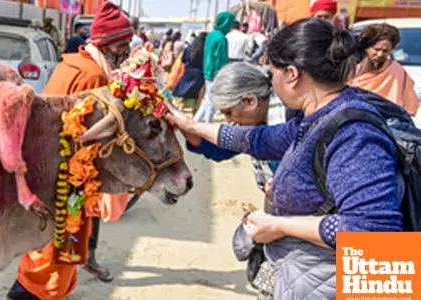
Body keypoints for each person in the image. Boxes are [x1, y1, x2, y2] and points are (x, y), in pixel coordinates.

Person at [164, 18, 403, 299]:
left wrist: (278, 225)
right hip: (308, 274)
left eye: (272, 72)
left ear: (291, 73)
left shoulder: (354, 133)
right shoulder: (320, 116)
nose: (270, 81)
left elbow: (373, 235)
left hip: (335, 283)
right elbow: (258, 140)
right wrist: (191, 127)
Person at [7, 3, 133, 300]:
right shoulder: (94, 78)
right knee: (60, 248)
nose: (127, 52)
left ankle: (37, 290)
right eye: (124, 46)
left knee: (56, 247)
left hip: (56, 171)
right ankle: (26, 293)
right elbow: (87, 139)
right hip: (69, 179)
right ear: (109, 46)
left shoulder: (74, 64)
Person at [350, 24, 419, 116]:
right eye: (377, 49)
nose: (380, 54)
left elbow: (409, 105)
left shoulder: (396, 71)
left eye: (385, 51)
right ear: (367, 48)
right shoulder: (351, 69)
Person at [194, 11, 235, 123]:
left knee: (207, 100)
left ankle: (195, 121)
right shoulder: (222, 39)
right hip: (215, 74)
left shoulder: (211, 35)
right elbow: (221, 60)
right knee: (212, 102)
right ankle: (208, 124)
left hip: (207, 70)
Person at [173, 32, 207, 111]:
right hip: (199, 76)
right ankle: (195, 112)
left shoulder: (188, 48)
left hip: (187, 74)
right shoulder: (206, 50)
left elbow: (183, 60)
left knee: (184, 93)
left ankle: (181, 108)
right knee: (198, 96)